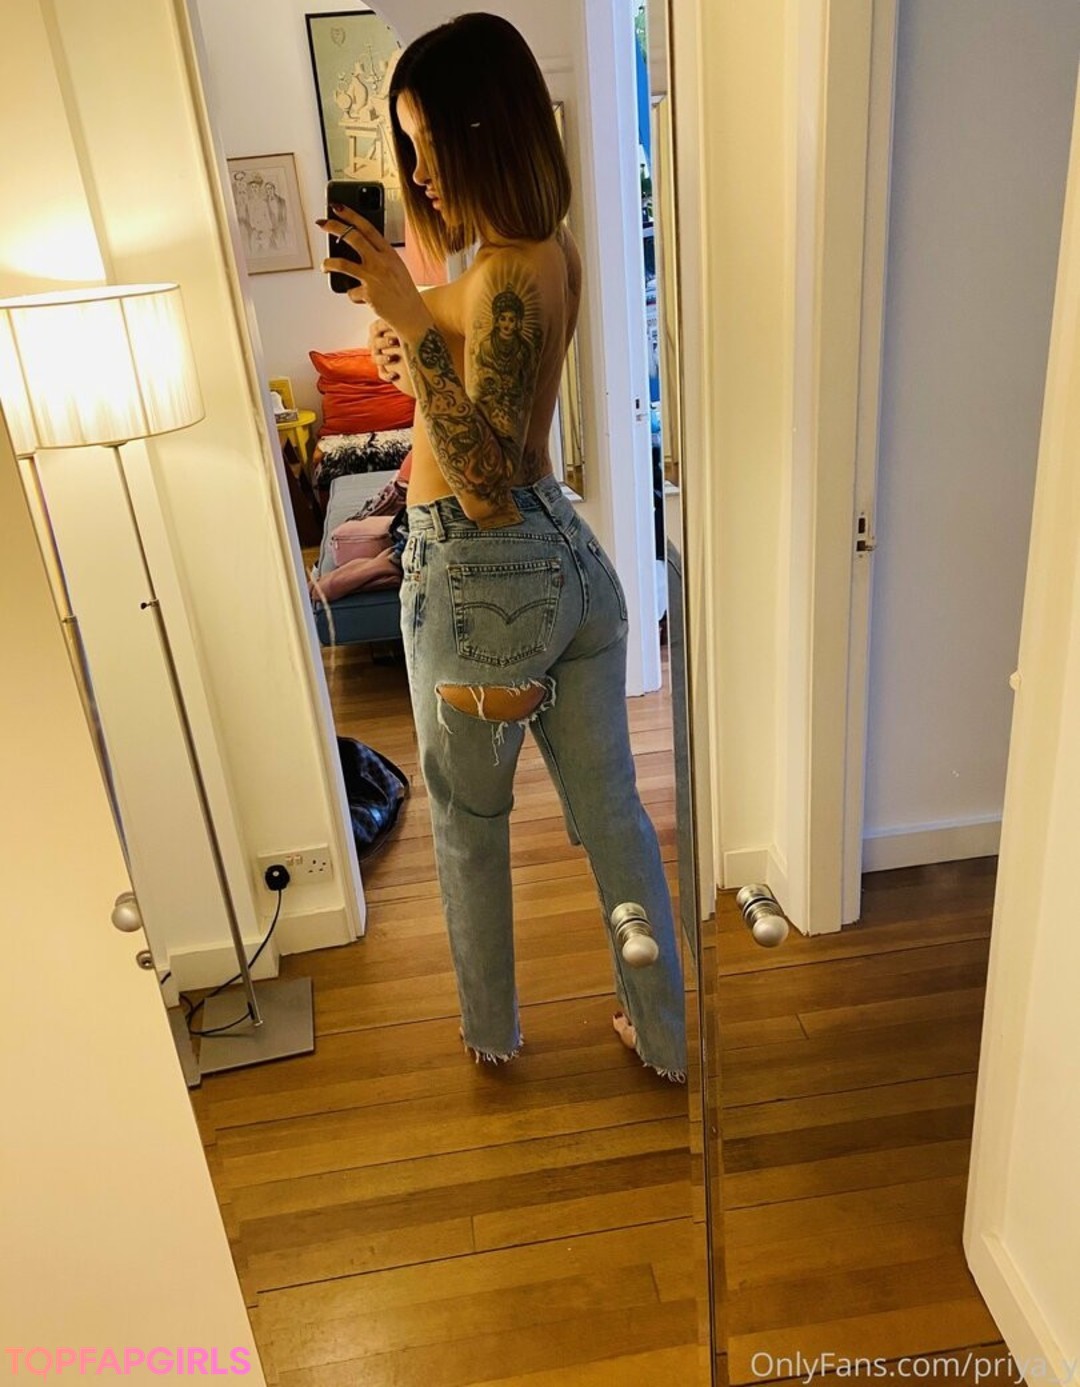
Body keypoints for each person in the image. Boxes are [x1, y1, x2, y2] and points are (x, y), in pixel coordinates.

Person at [317, 12, 686, 1081]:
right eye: (411, 146)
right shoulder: (539, 254)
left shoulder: (506, 273)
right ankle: (663, 1032)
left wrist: (410, 319)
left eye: (432, 141)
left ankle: (491, 1031)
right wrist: (416, 336)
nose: (422, 172)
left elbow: (478, 486)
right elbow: (478, 378)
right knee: (612, 816)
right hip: (569, 564)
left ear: (488, 129)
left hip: (483, 577)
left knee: (471, 826)